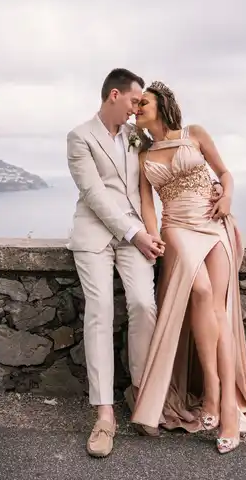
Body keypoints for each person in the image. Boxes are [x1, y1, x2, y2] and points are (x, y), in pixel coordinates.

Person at [129, 80, 246, 454]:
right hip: (176, 229)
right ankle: (214, 391)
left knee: (217, 309)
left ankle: (221, 407)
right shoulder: (144, 155)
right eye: (136, 104)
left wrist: (227, 198)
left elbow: (226, 173)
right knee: (200, 291)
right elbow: (147, 205)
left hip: (212, 222)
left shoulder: (195, 134)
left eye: (145, 102)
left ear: (163, 105)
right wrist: (153, 236)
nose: (138, 107)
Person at [66, 68, 166, 458]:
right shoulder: (79, 137)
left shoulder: (136, 137)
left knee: (144, 304)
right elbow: (94, 194)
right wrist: (135, 233)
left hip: (135, 234)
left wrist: (150, 228)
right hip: (94, 234)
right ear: (113, 95)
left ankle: (141, 391)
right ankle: (104, 414)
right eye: (133, 101)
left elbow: (149, 182)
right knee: (101, 310)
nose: (136, 108)